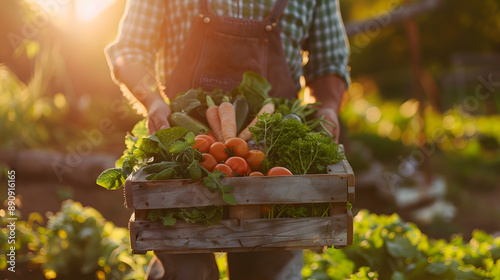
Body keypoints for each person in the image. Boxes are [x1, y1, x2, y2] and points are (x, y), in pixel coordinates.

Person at [105, 0, 350, 279]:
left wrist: (328, 106)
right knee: (186, 271)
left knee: (270, 269)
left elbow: (329, 62)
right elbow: (129, 50)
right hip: (187, 157)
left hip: (273, 165)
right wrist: (153, 101)